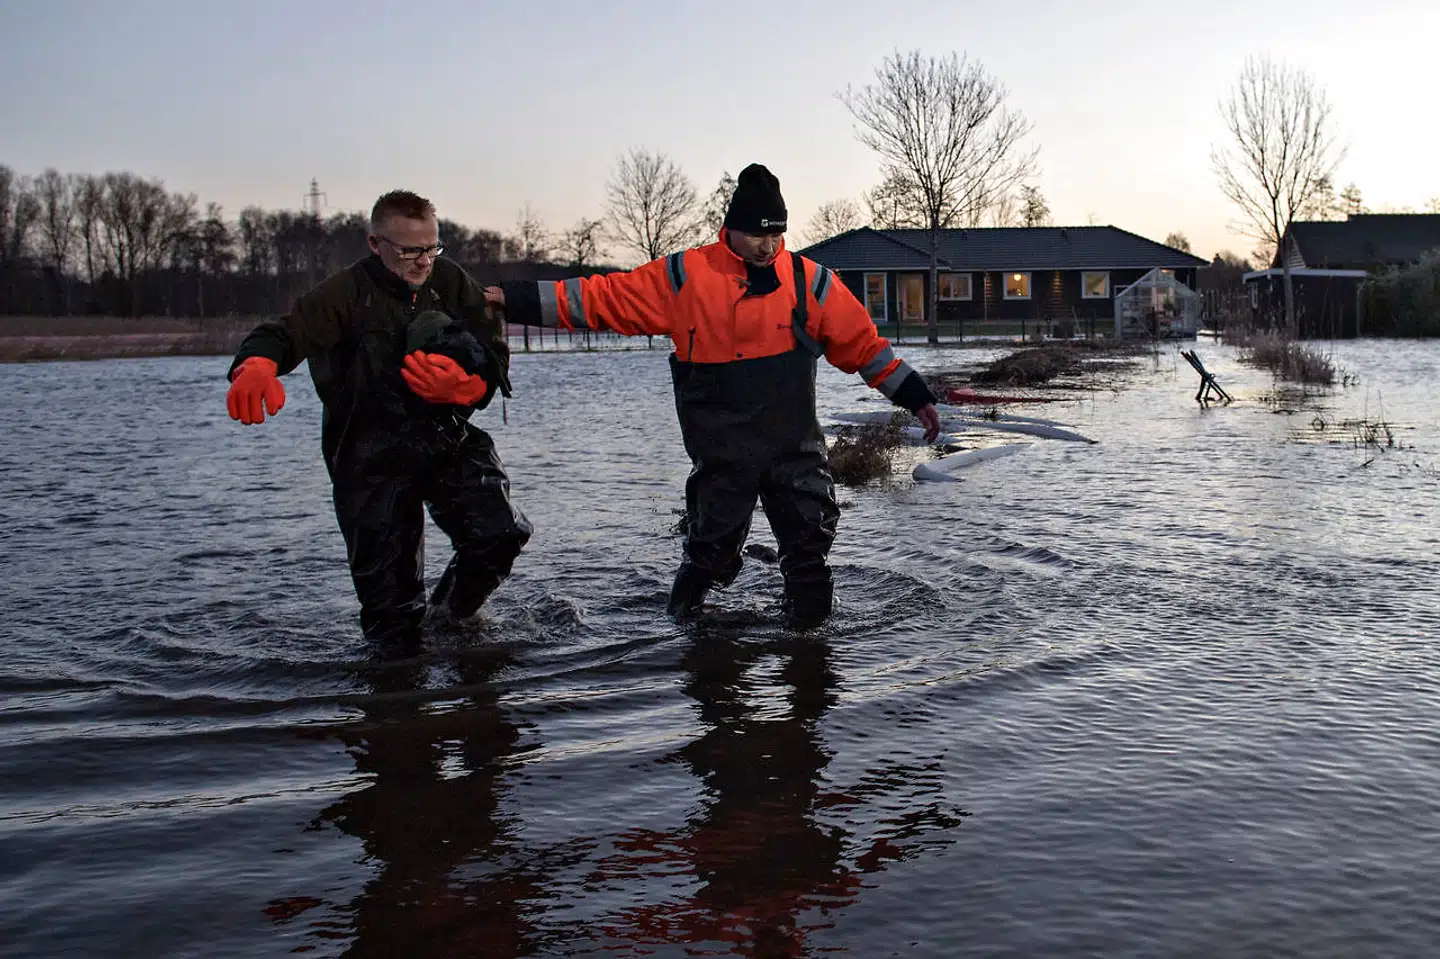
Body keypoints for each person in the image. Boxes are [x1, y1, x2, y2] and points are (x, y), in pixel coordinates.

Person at [487, 164, 940, 629]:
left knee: (809, 550)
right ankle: (683, 637)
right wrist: (514, 298)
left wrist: (916, 396)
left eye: (777, 235)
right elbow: (600, 299)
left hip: (794, 450)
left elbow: (865, 348)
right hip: (721, 454)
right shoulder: (684, 277)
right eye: (756, 235)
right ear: (730, 229)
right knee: (711, 555)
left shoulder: (810, 282)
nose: (768, 246)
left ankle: (811, 657)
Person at [224, 190, 532, 647]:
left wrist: (472, 387)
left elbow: (491, 348)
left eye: (431, 248)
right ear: (375, 243)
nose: (423, 261)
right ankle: (397, 684)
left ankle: (451, 620)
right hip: (369, 454)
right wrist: (255, 366)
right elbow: (283, 334)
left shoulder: (450, 281)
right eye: (410, 250)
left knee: (501, 533)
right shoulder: (344, 294)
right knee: (391, 611)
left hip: (444, 436)